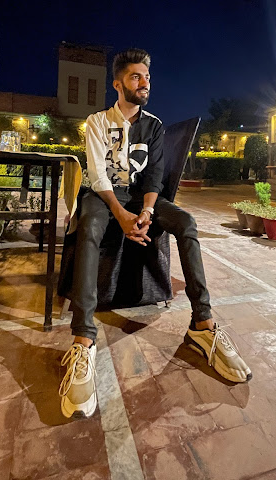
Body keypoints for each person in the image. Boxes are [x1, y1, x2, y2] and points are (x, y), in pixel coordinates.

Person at [59, 49, 252, 419]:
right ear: (118, 84)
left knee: (187, 223)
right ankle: (83, 340)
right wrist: (121, 215)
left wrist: (146, 211)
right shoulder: (97, 121)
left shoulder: (154, 126)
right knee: (90, 225)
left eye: (147, 77)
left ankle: (203, 324)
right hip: (105, 196)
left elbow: (155, 178)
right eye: (136, 77)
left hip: (141, 198)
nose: (145, 82)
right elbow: (97, 175)